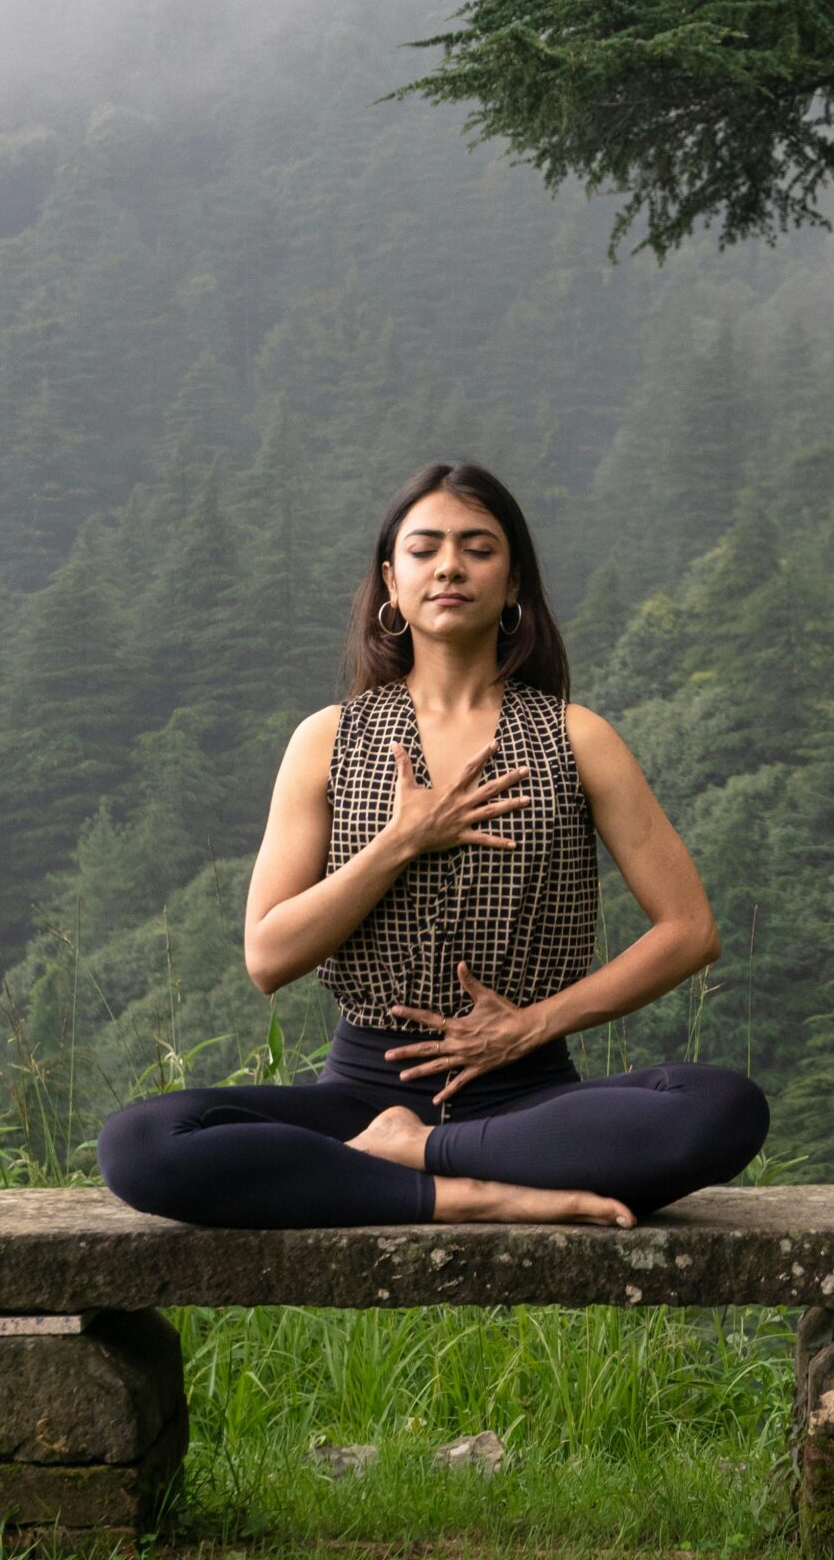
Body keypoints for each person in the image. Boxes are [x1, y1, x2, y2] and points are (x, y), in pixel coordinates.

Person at [97, 462, 768, 1229]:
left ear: (513, 583)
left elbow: (690, 931)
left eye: (478, 548)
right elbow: (268, 957)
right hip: (361, 1093)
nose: (449, 565)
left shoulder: (577, 738)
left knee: (722, 1107)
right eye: (425, 549)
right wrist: (400, 840)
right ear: (391, 581)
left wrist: (530, 1025)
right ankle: (470, 1190)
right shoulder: (328, 739)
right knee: (142, 1142)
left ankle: (414, 1159)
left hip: (527, 1097)